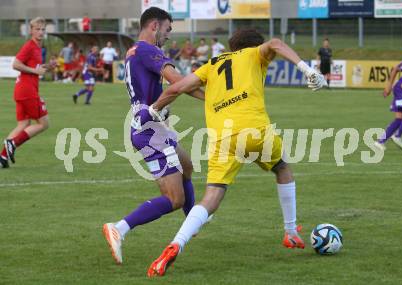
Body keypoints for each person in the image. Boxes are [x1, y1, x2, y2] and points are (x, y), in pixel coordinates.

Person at [146, 28, 327, 277]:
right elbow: (275, 43)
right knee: (282, 168)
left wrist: (155, 108)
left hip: (221, 138)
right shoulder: (254, 54)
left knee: (211, 197)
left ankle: (177, 242)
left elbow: (179, 87)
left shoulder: (212, 64)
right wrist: (308, 70)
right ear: (253, 46)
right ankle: (291, 232)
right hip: (254, 130)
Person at [101, 7, 205, 265]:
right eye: (168, 30)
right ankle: (119, 228)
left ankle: (193, 218)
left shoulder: (133, 50)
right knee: (174, 198)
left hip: (150, 125)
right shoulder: (149, 50)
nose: (169, 36)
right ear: (154, 26)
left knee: (187, 166)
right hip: (149, 130)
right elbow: (178, 82)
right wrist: (212, 98)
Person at [1, 17, 52, 169]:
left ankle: (2, 157)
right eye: (37, 29)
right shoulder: (30, 46)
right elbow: (15, 64)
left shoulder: (37, 48)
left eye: (43, 29)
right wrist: (35, 71)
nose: (41, 32)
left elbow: (35, 68)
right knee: (44, 123)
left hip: (22, 90)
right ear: (31, 30)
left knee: (23, 124)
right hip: (26, 90)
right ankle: (12, 143)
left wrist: (47, 66)